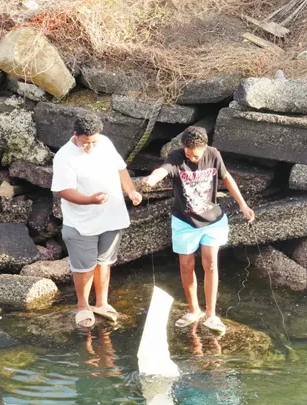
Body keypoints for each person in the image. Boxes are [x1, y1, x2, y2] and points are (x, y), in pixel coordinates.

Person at [139, 126, 255, 334]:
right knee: (186, 266)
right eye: (189, 153)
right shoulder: (176, 157)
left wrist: (243, 205)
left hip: (213, 221)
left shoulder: (213, 154)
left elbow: (227, 178)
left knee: (210, 263)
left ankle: (211, 314)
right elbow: (163, 170)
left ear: (204, 148)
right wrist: (152, 179)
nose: (192, 158)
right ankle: (194, 310)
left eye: (196, 155)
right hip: (184, 222)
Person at [51, 113, 143, 327]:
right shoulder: (64, 156)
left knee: (104, 262)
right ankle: (83, 306)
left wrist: (131, 191)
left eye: (94, 142)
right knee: (84, 267)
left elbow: (121, 169)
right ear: (75, 134)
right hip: (81, 222)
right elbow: (64, 191)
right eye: (86, 142)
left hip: (111, 217)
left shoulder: (106, 143)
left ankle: (102, 303)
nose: (91, 146)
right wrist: (90, 200)